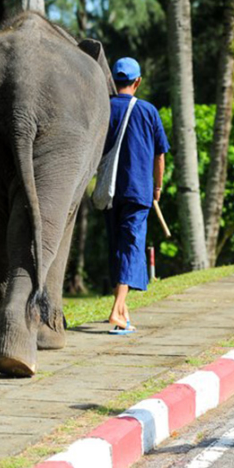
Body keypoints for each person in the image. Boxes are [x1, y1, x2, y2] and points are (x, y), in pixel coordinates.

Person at [104, 57, 170, 334]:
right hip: (138, 191)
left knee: (118, 247)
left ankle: (124, 315)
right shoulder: (148, 110)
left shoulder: (103, 107)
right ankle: (117, 310)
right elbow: (160, 154)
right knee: (131, 246)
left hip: (108, 191)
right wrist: (157, 187)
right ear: (138, 81)